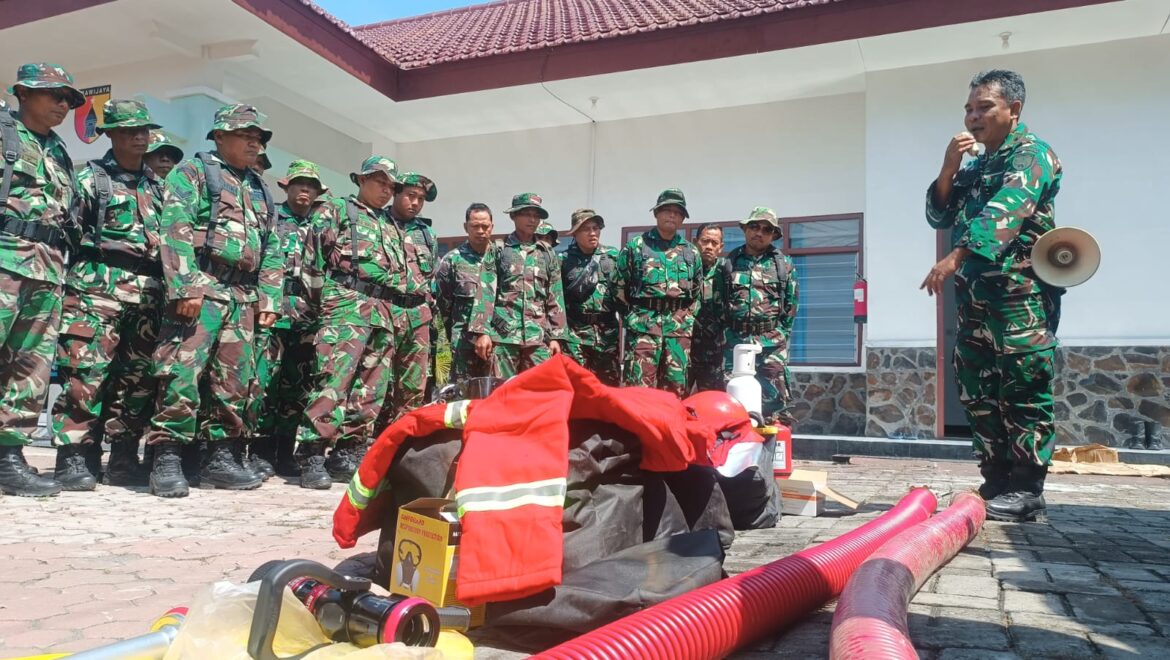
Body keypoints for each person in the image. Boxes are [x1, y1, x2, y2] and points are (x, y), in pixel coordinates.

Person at [923, 69, 1062, 522]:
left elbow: (1007, 209)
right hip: (977, 298)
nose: (973, 116)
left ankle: (1027, 488)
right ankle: (996, 480)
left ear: (1013, 110)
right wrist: (948, 167)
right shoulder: (978, 162)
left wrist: (956, 257)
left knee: (1023, 385)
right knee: (977, 387)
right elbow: (938, 213)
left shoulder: (1032, 154)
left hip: (1020, 292)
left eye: (984, 107)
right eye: (969, 108)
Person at [142, 104, 283, 497]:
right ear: (219, 136)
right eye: (246, 135)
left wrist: (269, 296)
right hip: (202, 284)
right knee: (181, 373)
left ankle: (220, 457)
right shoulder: (193, 173)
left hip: (243, 294)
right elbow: (176, 227)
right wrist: (184, 286)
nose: (255, 142)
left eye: (259, 137)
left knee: (235, 380)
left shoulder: (258, 187)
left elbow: (272, 247)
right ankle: (166, 457)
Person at [52, 99, 165, 491]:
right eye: (129, 130)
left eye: (144, 130)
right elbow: (67, 233)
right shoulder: (90, 180)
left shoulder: (159, 188)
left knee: (137, 382)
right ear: (111, 134)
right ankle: (74, 458)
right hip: (96, 287)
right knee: (87, 375)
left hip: (148, 293)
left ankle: (121, 459)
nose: (139, 137)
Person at [0, 63, 84, 497]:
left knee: (29, 366)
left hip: (48, 267)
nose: (63, 105)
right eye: (54, 95)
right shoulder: (4, 134)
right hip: (5, 259)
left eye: (68, 99)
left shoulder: (59, 152)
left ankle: (9, 455)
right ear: (23, 93)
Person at [299, 156, 399, 488]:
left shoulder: (389, 223)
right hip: (344, 307)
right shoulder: (336, 211)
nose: (385, 190)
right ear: (360, 180)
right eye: (379, 182)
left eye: (390, 186)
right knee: (333, 382)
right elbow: (310, 262)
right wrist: (319, 307)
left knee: (370, 387)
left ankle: (349, 452)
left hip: (381, 312)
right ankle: (312, 453)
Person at [249, 160, 331, 479]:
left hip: (308, 317)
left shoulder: (321, 226)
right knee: (265, 382)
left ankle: (285, 451)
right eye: (299, 184)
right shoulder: (272, 217)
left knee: (297, 386)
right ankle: (259, 451)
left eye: (311, 186)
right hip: (274, 312)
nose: (304, 191)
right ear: (286, 187)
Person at [616, 188, 702, 397]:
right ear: (656, 213)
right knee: (639, 389)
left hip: (678, 331)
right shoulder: (636, 247)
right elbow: (618, 287)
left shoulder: (691, 252)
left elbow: (697, 292)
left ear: (683, 218)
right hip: (643, 328)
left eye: (677, 211)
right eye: (666, 210)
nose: (672, 215)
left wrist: (687, 318)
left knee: (675, 390)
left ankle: (669, 430)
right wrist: (631, 317)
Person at [717, 208, 799, 425]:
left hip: (771, 342)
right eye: (754, 227)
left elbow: (791, 306)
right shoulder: (729, 263)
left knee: (776, 402)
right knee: (733, 402)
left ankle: (774, 455)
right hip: (736, 341)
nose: (759, 233)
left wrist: (779, 334)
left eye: (766, 229)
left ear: (773, 235)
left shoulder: (783, 265)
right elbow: (718, 303)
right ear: (745, 229)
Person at [475, 193, 566, 378]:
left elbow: (555, 296)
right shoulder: (499, 249)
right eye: (526, 214)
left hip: (538, 338)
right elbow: (486, 292)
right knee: (503, 393)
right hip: (504, 336)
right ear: (513, 216)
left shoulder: (546, 253)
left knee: (540, 392)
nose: (532, 220)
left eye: (536, 215)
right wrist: (482, 332)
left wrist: (556, 336)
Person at [377, 172, 438, 427]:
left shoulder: (425, 233)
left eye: (421, 199)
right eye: (410, 196)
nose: (415, 203)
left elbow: (430, 277)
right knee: (376, 381)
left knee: (414, 385)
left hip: (417, 317)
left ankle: (402, 438)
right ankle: (366, 441)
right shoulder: (378, 222)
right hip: (384, 312)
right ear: (395, 193)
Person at [433, 203, 497, 382]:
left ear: (492, 227)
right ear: (465, 227)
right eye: (475, 226)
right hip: (463, 342)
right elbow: (443, 305)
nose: (480, 231)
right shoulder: (452, 260)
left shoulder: (502, 258)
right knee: (463, 394)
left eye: (485, 226)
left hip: (498, 341)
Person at [559, 209, 621, 385]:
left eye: (596, 227)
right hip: (575, 333)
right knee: (577, 385)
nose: (593, 233)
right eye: (586, 228)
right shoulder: (563, 260)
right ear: (575, 233)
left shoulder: (613, 256)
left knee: (609, 386)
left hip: (607, 332)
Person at [690, 223, 727, 392]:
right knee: (675, 399)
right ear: (695, 242)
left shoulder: (727, 272)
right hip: (683, 349)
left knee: (711, 402)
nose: (709, 247)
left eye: (714, 243)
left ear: (721, 247)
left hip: (714, 352)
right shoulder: (683, 270)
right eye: (705, 241)